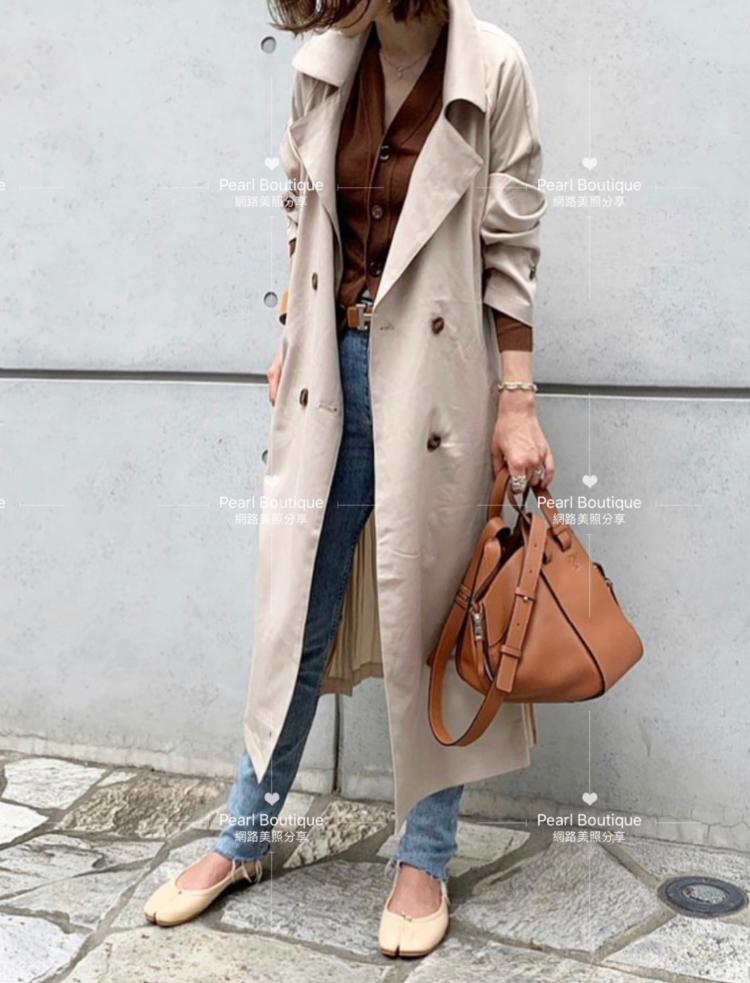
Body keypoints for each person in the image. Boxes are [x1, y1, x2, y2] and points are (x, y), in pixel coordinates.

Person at [145, 0, 554, 958]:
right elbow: (303, 207)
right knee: (294, 612)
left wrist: (518, 399)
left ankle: (425, 857)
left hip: (436, 386)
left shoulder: (492, 68)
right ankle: (244, 835)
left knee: (434, 623)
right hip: (332, 373)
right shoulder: (325, 63)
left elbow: (511, 249)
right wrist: (292, 325)